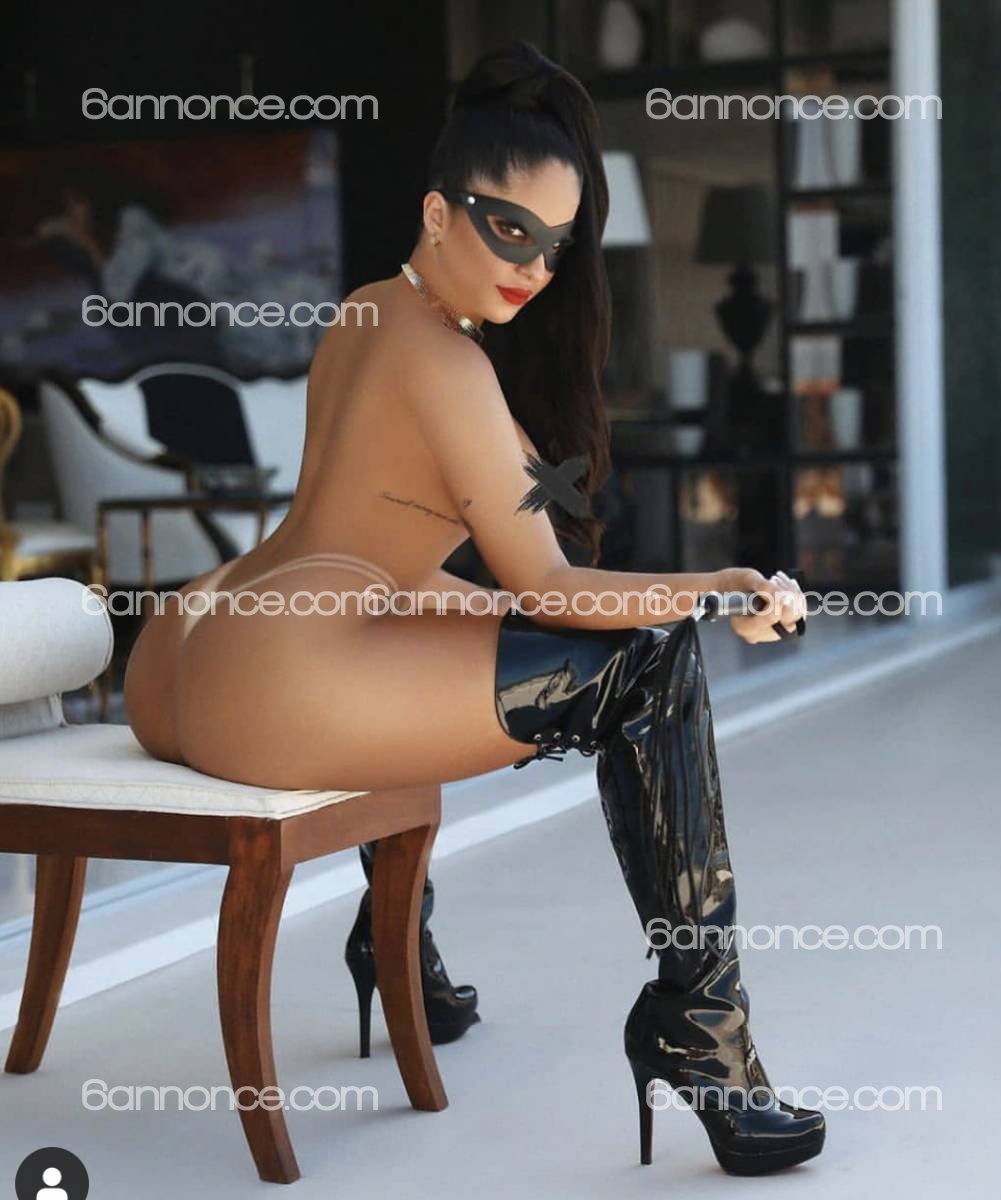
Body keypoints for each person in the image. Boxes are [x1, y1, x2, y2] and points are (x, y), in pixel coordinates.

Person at [123, 39, 823, 1176]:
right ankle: (701, 1028)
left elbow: (383, 556)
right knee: (649, 661)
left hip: (188, 649)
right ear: (439, 212)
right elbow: (549, 588)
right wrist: (718, 588)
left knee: (448, 631)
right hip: (282, 689)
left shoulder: (366, 312)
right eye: (509, 231)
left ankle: (399, 946)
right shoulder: (449, 369)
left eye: (555, 245)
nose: (534, 269)